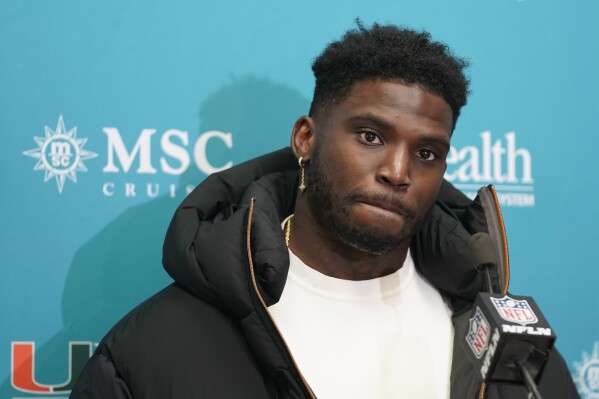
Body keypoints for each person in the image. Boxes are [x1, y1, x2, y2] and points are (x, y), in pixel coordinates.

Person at [70, 22, 579, 398]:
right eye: (371, 136)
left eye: (427, 153)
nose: (398, 172)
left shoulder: (503, 341)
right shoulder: (155, 349)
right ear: (306, 139)